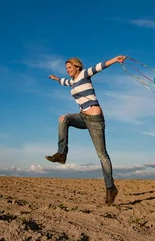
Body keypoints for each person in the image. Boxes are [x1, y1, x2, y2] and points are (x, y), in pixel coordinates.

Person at [46, 55, 126, 206]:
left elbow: (99, 66)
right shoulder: (72, 82)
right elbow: (64, 81)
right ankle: (61, 153)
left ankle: (111, 188)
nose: (68, 70)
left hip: (95, 120)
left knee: (102, 155)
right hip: (82, 117)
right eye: (66, 68)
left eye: (69, 68)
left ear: (77, 67)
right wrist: (55, 78)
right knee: (64, 118)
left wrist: (115, 60)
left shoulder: (84, 74)